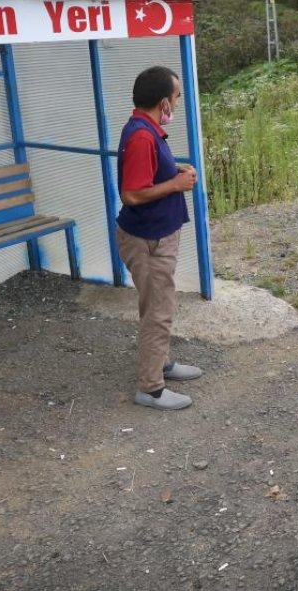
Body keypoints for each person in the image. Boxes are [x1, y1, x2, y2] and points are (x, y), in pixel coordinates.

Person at [116, 65, 202, 410]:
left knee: (156, 305)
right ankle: (151, 389)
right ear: (164, 102)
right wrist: (176, 184)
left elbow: (149, 173)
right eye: (176, 97)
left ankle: (162, 364)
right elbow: (131, 194)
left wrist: (173, 170)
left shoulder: (146, 129)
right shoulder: (141, 136)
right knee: (159, 311)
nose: (177, 103)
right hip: (147, 239)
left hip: (155, 235)